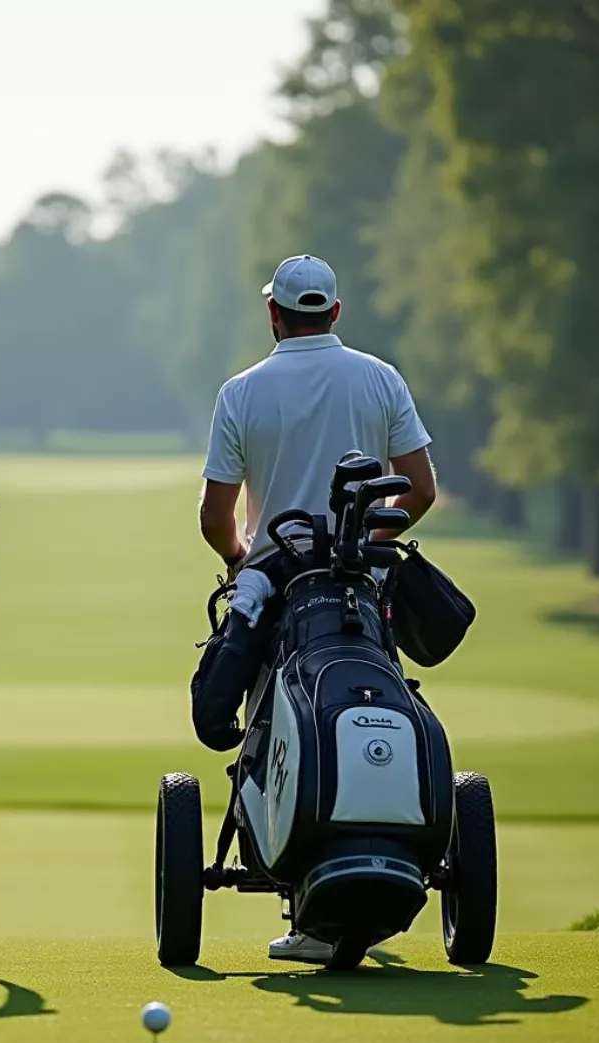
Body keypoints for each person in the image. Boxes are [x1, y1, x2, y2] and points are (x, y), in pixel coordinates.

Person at [199, 254, 436, 964]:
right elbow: (419, 489)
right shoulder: (379, 377)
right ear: (334, 313)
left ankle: (304, 899)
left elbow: (216, 517)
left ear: (274, 314)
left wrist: (245, 561)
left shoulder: (242, 391)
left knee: (268, 722)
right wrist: (366, 538)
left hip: (279, 587)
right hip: (362, 593)